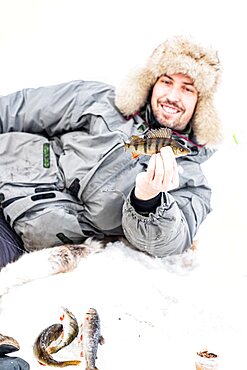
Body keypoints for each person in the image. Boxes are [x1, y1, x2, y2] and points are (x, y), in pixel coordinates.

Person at [0, 35, 222, 270]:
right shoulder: (101, 100)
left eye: (187, 89)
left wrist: (148, 200)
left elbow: (170, 240)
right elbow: (21, 109)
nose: (173, 96)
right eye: (166, 82)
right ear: (151, 83)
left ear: (201, 103)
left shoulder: (192, 182)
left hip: (20, 228)